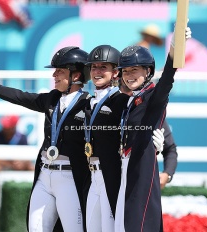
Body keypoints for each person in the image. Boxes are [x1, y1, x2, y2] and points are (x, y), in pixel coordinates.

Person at [0, 46, 91, 232]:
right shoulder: (51, 99)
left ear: (77, 75)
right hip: (45, 174)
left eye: (60, 71)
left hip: (69, 177)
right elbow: (20, 97)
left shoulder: (89, 104)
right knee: (35, 228)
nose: (54, 75)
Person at [114, 25, 191, 232]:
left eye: (134, 70)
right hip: (122, 172)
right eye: (126, 71)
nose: (129, 75)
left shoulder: (153, 97)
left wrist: (176, 46)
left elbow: (167, 79)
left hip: (141, 172)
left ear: (147, 71)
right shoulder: (127, 101)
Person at [83, 45, 164, 232]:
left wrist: (160, 143)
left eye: (103, 67)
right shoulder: (94, 101)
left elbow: (153, 118)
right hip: (101, 173)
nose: (97, 71)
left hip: (117, 174)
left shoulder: (122, 100)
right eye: (93, 67)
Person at [119, 77, 178, 189]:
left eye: (134, 88)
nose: (129, 92)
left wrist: (167, 174)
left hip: (139, 181)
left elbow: (170, 149)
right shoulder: (112, 112)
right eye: (125, 86)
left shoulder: (150, 117)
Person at [0, 115, 34, 207]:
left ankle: (33, 201)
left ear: (13, 127)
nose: (4, 128)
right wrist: (10, 164)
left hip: (18, 164)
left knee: (32, 168)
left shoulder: (22, 137)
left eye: (7, 126)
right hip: (4, 164)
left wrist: (21, 163)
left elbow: (27, 156)